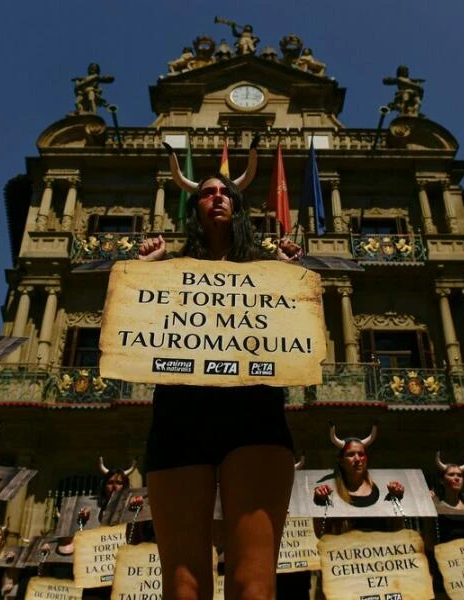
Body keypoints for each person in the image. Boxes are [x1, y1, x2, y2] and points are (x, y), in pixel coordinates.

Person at [137, 140, 303, 600]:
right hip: (179, 414)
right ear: (195, 207)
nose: (216, 195)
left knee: (254, 584)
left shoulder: (270, 268)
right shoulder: (168, 269)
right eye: (206, 191)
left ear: (238, 206)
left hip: (255, 413)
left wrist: (293, 277)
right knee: (183, 585)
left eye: (224, 191)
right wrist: (145, 271)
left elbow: (300, 339)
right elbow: (138, 335)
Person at [313, 424, 404, 509]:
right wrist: (320, 498)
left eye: (361, 454)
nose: (357, 459)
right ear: (341, 461)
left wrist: (396, 494)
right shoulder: (331, 488)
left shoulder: (383, 486)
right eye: (351, 454)